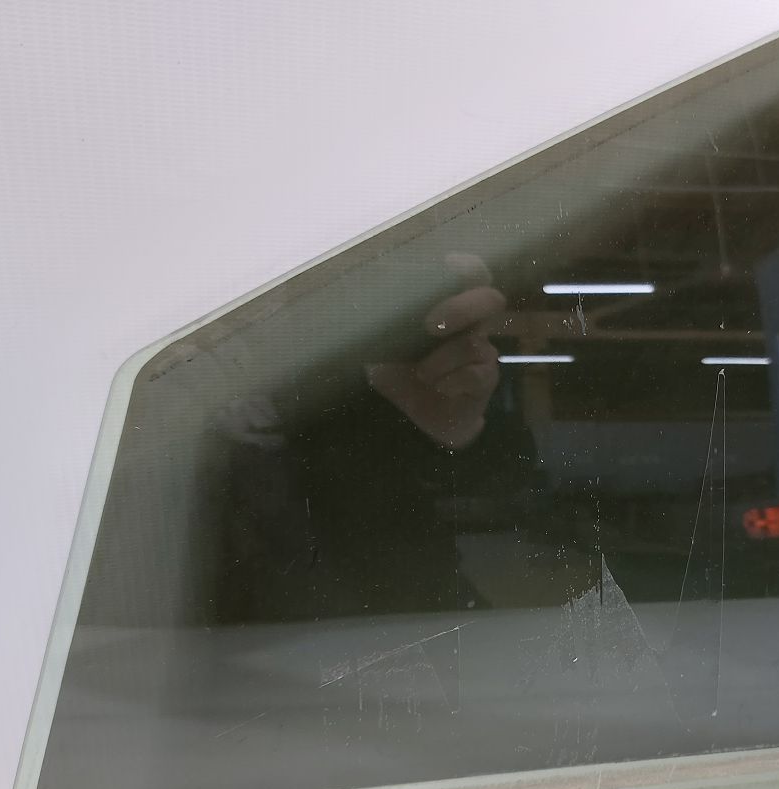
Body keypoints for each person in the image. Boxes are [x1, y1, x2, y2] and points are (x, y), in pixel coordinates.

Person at [204, 255, 535, 623]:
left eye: (287, 298)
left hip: (410, 623)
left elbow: (510, 479)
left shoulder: (371, 384)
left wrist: (461, 431)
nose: (271, 316)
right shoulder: (174, 381)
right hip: (239, 636)